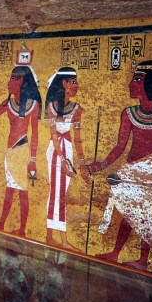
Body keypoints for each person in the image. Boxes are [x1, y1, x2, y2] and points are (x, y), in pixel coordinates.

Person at [87, 60, 152, 270]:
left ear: (151, 83)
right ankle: (116, 253)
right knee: (127, 213)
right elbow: (120, 147)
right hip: (129, 170)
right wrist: (101, 165)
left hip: (149, 170)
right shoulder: (128, 113)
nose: (130, 84)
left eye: (137, 79)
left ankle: (143, 260)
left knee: (144, 215)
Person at [0, 65, 41, 235]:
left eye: (13, 79)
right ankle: (2, 224)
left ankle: (22, 229)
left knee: (22, 192)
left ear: (23, 82)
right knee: (9, 189)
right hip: (10, 152)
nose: (9, 83)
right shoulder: (8, 103)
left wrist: (32, 160)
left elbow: (35, 134)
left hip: (21, 150)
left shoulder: (33, 105)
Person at [44, 67, 89, 251]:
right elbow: (54, 135)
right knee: (58, 194)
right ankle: (62, 240)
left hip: (67, 149)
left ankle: (49, 236)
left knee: (57, 193)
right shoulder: (52, 107)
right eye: (73, 82)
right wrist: (62, 159)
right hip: (57, 151)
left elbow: (77, 139)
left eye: (77, 82)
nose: (77, 85)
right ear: (64, 83)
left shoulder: (76, 109)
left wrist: (82, 164)